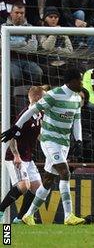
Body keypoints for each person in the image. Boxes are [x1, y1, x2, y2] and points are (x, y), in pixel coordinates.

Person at [1, 68, 86, 226]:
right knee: (64, 173)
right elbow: (32, 109)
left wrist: (79, 140)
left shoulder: (76, 99)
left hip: (63, 143)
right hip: (49, 141)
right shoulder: (54, 95)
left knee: (47, 181)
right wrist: (16, 127)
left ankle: (28, 215)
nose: (82, 83)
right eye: (80, 80)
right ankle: (69, 215)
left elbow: (77, 121)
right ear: (72, 81)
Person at [0, 85, 46, 223]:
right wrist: (16, 156)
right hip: (15, 156)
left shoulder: (40, 114)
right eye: (44, 97)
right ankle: (1, 210)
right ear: (38, 98)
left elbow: (38, 135)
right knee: (23, 186)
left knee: (38, 189)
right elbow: (12, 138)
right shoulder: (24, 115)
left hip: (28, 156)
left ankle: (20, 218)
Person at [3, 3, 43, 85]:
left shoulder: (30, 28)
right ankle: (15, 96)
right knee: (16, 75)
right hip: (10, 60)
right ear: (11, 13)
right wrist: (24, 43)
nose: (19, 15)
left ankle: (31, 94)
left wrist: (12, 45)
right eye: (17, 13)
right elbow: (3, 45)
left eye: (22, 13)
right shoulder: (4, 27)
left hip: (27, 60)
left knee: (38, 72)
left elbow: (33, 48)